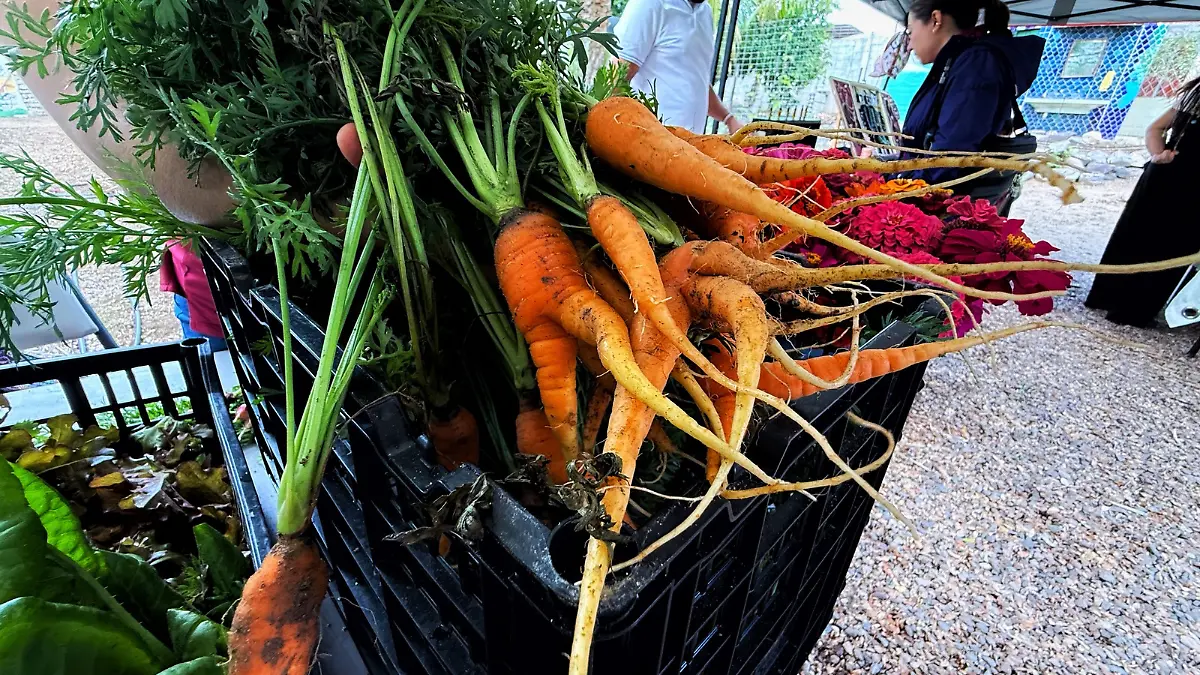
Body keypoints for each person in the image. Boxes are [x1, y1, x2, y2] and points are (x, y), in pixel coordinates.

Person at [899, 0, 1043, 215]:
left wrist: (894, 181)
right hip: (930, 197)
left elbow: (949, 157)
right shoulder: (958, 62)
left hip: (939, 208)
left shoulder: (976, 64)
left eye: (910, 31)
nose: (909, 44)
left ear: (936, 20)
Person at [1085, 78, 1200, 328]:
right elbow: (1154, 128)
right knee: (1143, 238)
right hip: (1169, 178)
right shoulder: (1194, 96)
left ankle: (1130, 307)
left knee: (1164, 244)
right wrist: (1159, 155)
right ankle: (1117, 302)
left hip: (1178, 182)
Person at [613, 0, 742, 134]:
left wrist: (728, 119)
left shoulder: (705, 12)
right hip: (648, 139)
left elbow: (697, 81)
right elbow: (616, 78)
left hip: (689, 145)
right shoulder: (649, 4)